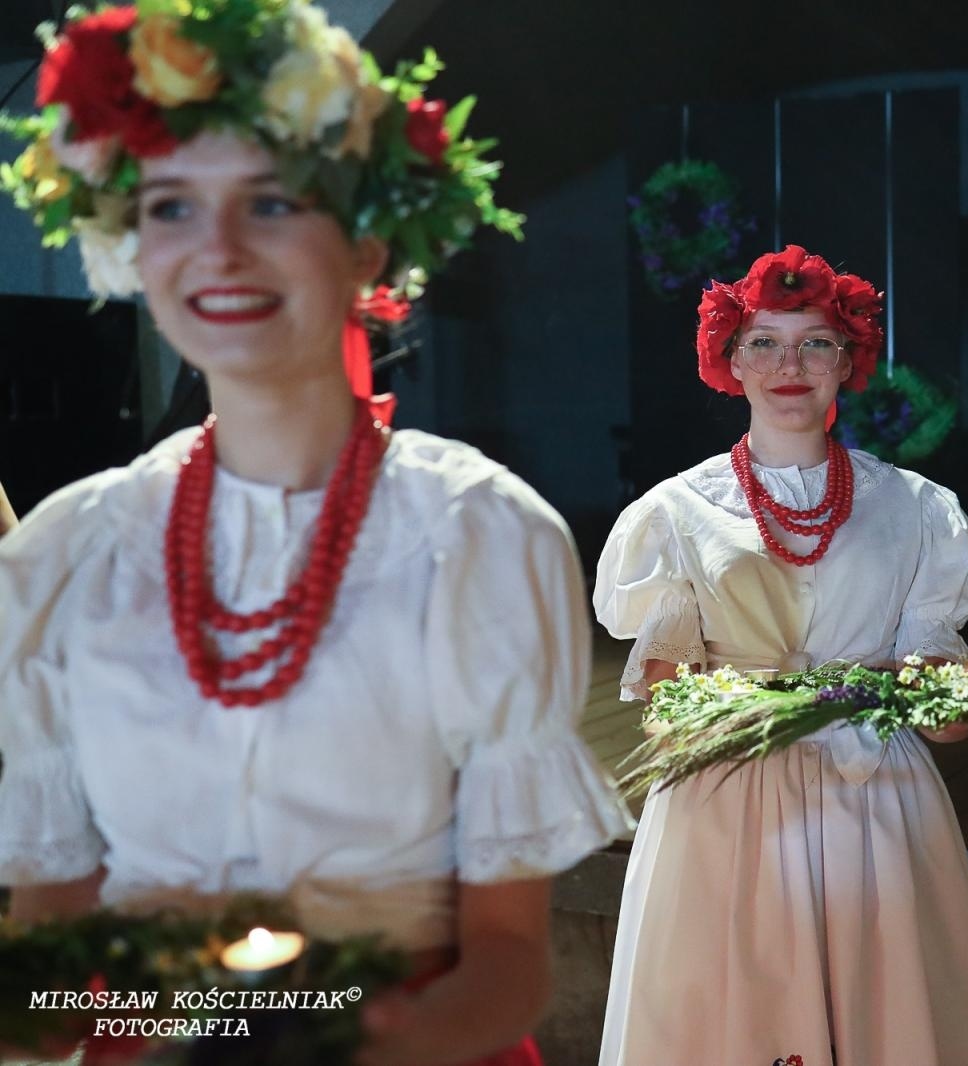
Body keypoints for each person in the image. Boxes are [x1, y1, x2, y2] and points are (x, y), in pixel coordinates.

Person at [0, 4, 629, 1064]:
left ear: (368, 240)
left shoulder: (478, 537)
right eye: (172, 207)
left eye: (274, 200)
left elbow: (512, 960)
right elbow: (52, 956)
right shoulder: (69, 555)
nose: (220, 250)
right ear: (129, 244)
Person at [593, 245, 968, 1065]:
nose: (790, 365)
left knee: (882, 1015)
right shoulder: (676, 513)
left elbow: (946, 711)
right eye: (764, 344)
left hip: (877, 804)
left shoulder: (918, 509)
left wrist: (964, 696)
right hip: (728, 800)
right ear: (729, 362)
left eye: (815, 343)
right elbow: (668, 705)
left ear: (847, 363)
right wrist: (742, 713)